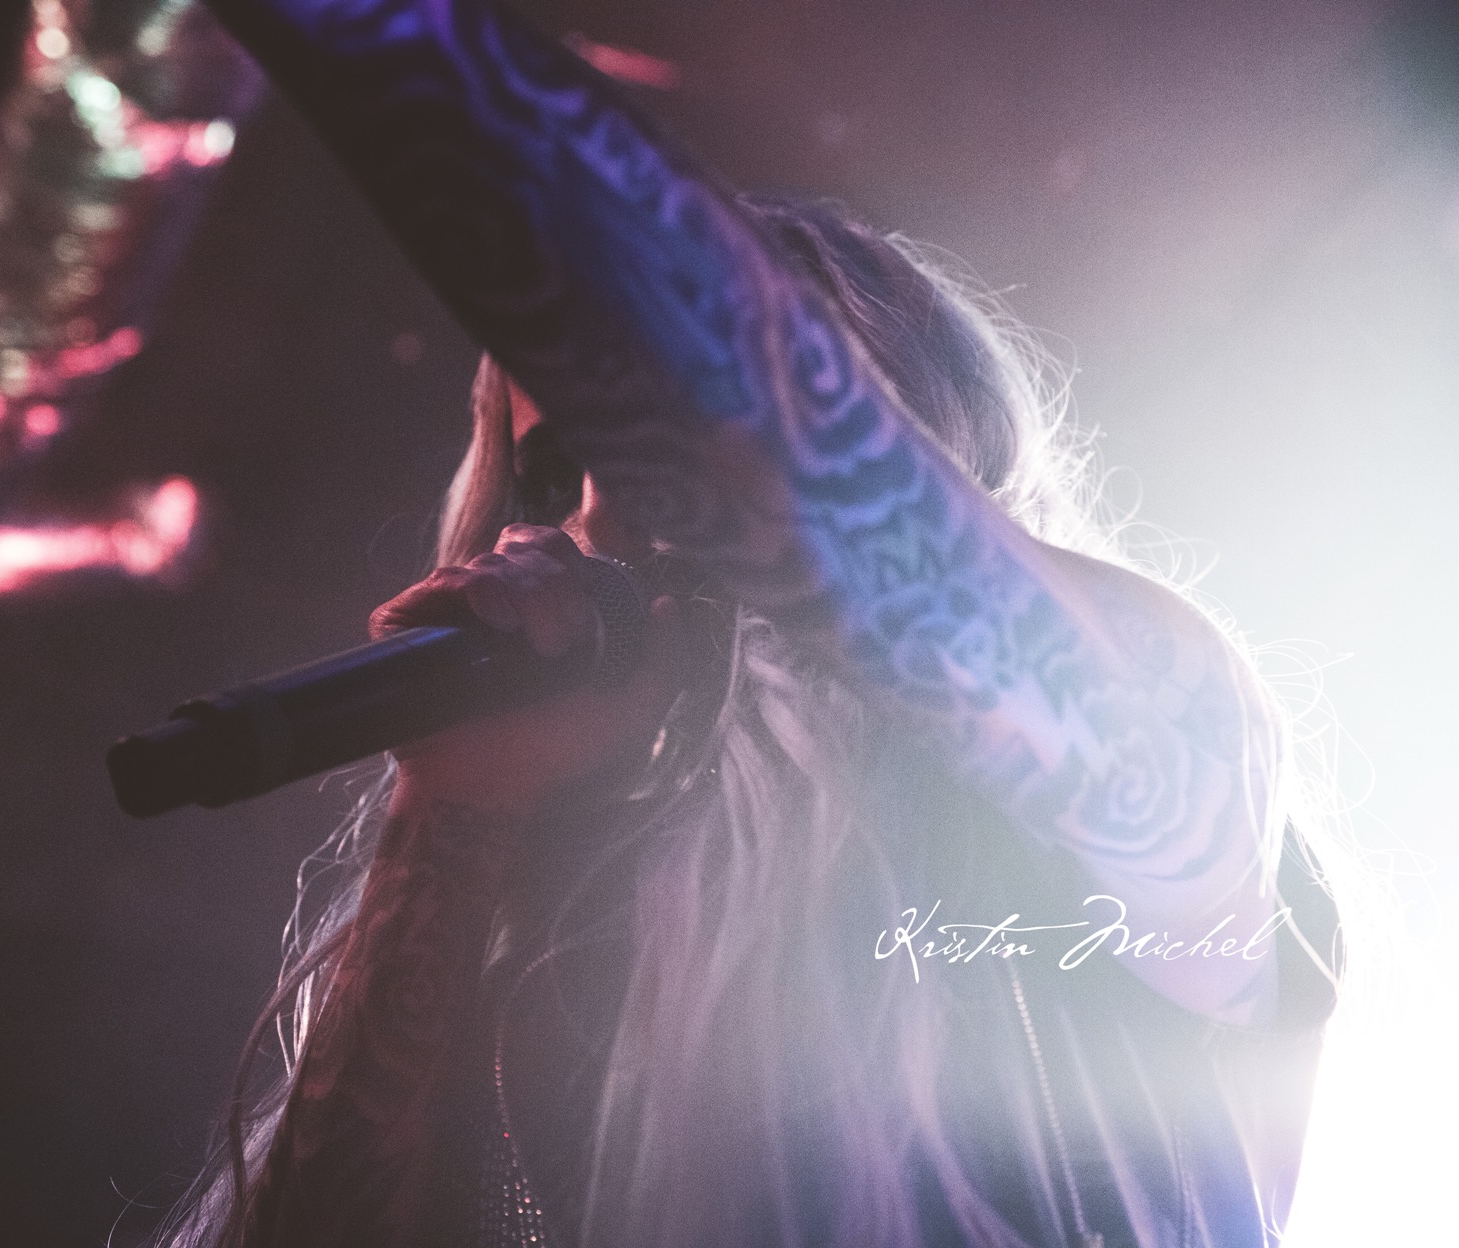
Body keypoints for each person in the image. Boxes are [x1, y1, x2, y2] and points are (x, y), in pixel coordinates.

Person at [158, 2, 1346, 1245]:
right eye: (550, 478)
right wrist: (453, 811)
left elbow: (799, 486)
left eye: (638, 451)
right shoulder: (541, 914)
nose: (598, 518)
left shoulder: (1151, 716)